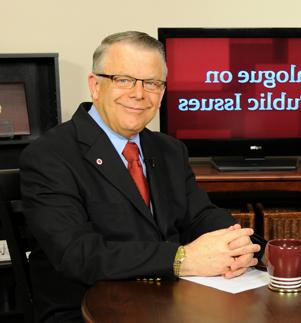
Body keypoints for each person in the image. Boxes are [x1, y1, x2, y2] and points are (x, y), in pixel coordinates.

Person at [20, 31, 263, 322]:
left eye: (152, 83)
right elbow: (78, 254)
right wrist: (180, 259)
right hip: (86, 309)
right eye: (123, 80)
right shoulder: (49, 155)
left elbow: (200, 215)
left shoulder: (169, 149)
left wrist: (239, 246)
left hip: (169, 300)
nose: (139, 94)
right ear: (95, 86)